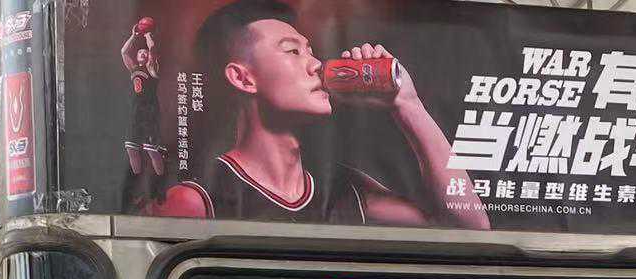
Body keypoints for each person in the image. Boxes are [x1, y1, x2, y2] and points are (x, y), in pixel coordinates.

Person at [156, 0, 488, 229]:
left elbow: (470, 228)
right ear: (243, 78)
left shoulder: (345, 190)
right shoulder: (197, 200)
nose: (316, 64)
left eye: (311, 51)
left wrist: (408, 104)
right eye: (292, 51)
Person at [122, 18, 166, 179]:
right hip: (136, 112)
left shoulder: (152, 69)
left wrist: (147, 34)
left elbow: (152, 49)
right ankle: (136, 181)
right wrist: (133, 36)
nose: (142, 53)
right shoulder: (133, 69)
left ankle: (160, 180)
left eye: (145, 52)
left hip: (150, 112)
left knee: (151, 150)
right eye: (140, 52)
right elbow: (124, 52)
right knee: (131, 149)